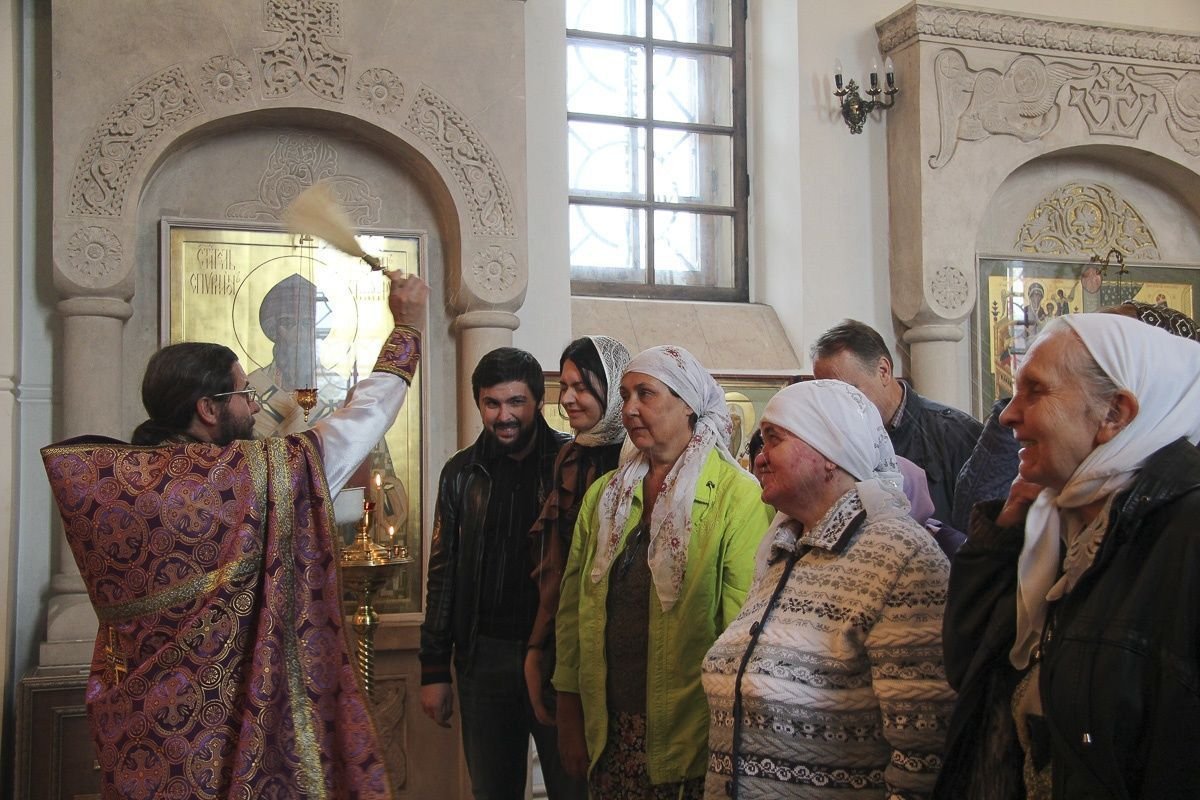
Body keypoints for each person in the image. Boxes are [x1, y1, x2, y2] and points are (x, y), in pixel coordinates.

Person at [41, 273, 429, 800]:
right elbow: (361, 422)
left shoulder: (120, 485)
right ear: (208, 408)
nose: (255, 406)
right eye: (244, 394)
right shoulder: (241, 478)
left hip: (146, 735)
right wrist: (407, 327)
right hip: (228, 732)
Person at [936, 314, 1200, 799]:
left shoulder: (1185, 534)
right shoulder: (1052, 522)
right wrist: (1000, 541)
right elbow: (970, 669)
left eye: (1035, 391)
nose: (1007, 416)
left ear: (1114, 413)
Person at [703, 380, 955, 799]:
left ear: (830, 453)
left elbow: (924, 751)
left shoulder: (900, 556)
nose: (759, 457)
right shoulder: (783, 550)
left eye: (774, 439)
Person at [554, 345, 773, 799]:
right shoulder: (605, 496)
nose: (629, 408)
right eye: (625, 395)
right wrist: (569, 709)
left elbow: (742, 631)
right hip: (609, 730)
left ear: (688, 404)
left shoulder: (737, 497)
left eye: (646, 394)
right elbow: (573, 611)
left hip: (693, 735)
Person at [418, 347, 573, 800]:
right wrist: (434, 669)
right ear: (479, 403)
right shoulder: (460, 473)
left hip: (559, 658)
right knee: (492, 791)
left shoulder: (572, 461)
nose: (504, 415)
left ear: (538, 401)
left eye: (516, 402)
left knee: (573, 787)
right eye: (492, 403)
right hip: (484, 657)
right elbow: (442, 573)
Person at [525, 336, 631, 732]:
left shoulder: (638, 459)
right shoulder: (570, 458)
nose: (567, 398)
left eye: (582, 387)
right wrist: (537, 645)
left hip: (622, 647)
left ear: (613, 388)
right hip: (568, 635)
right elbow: (556, 562)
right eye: (564, 386)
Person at [811, 319, 982, 522]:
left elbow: (979, 525)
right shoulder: (828, 444)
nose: (837, 406)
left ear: (883, 371)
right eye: (828, 397)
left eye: (847, 391)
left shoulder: (955, 435)